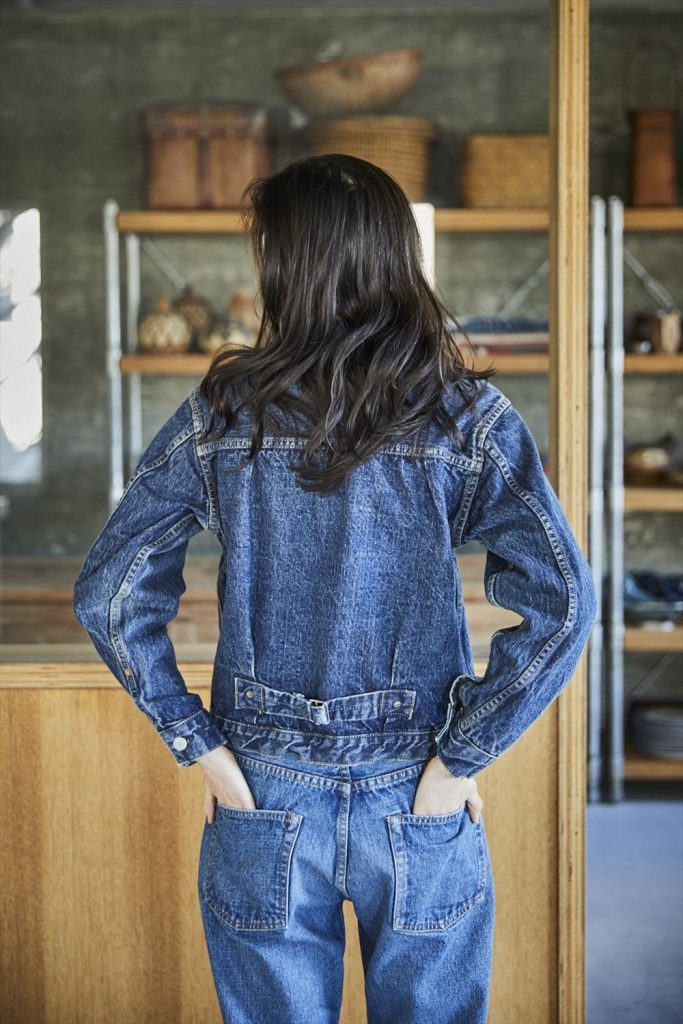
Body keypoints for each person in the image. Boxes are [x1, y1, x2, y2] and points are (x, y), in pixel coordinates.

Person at [73, 154, 598, 1024]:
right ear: (396, 258)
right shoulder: (466, 417)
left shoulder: (221, 414)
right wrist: (458, 759)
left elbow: (110, 595)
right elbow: (565, 604)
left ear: (288, 266)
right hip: (416, 788)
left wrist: (201, 748)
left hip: (261, 790)